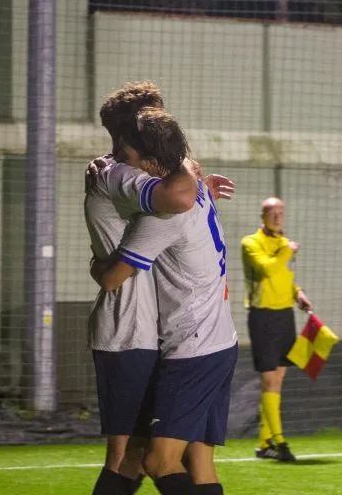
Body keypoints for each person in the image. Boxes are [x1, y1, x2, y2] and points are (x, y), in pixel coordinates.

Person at [84, 81, 233, 495]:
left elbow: (177, 194)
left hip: (177, 336)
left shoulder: (164, 194)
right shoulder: (118, 176)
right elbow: (179, 197)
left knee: (161, 457)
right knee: (131, 456)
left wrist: (190, 171)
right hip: (130, 328)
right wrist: (191, 174)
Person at [240, 197, 312, 462]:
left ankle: (263, 444)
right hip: (263, 317)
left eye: (281, 212)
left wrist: (299, 294)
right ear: (263, 215)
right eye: (273, 212)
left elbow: (285, 276)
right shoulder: (251, 243)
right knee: (269, 380)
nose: (278, 217)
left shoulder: (284, 244)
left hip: (285, 317)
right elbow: (268, 269)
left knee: (278, 381)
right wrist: (286, 251)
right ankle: (280, 442)